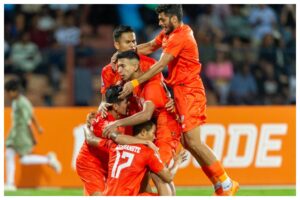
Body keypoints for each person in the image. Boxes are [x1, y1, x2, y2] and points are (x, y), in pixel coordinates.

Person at [119, 5, 239, 195]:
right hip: (180, 92)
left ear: (174, 19)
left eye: (163, 19)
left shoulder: (180, 36)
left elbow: (159, 66)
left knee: (194, 141)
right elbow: (150, 46)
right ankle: (219, 184)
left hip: (190, 91)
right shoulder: (168, 34)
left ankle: (226, 183)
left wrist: (134, 83)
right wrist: (124, 54)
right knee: (188, 142)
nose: (160, 23)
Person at [76, 85, 159, 196]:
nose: (128, 104)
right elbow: (118, 138)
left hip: (109, 162)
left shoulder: (119, 117)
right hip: (91, 164)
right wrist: (146, 142)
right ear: (115, 106)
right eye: (126, 102)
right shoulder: (103, 122)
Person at [85, 120, 187, 196]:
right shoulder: (147, 152)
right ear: (143, 132)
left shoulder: (114, 145)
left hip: (108, 195)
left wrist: (86, 127)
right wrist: (177, 162)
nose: (154, 137)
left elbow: (90, 139)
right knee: (167, 194)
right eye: (153, 133)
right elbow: (168, 177)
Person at [4, 78, 61, 191]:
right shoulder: (18, 101)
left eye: (7, 92)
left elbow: (28, 121)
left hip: (21, 135)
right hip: (16, 134)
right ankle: (47, 160)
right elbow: (32, 114)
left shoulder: (21, 103)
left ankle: (10, 184)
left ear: (13, 91)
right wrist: (39, 127)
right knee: (18, 157)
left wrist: (33, 136)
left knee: (13, 155)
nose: (7, 95)